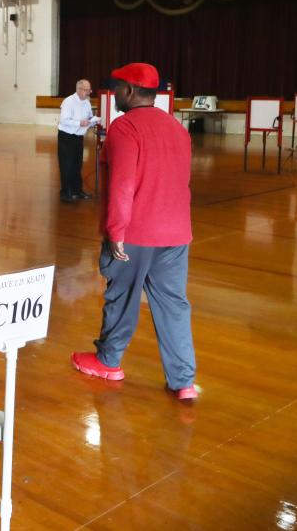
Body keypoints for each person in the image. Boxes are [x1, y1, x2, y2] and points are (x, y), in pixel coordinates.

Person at [71, 62, 197, 400]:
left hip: (136, 233)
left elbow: (123, 184)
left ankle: (108, 361)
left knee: (122, 297)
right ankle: (183, 380)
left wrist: (116, 231)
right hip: (176, 233)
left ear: (128, 91)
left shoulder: (124, 128)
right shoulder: (177, 128)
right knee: (173, 304)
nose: (114, 96)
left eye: (117, 89)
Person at [57, 79, 98, 202]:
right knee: (66, 165)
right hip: (66, 137)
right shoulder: (68, 102)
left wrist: (93, 121)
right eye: (85, 90)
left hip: (79, 137)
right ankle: (65, 192)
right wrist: (79, 122)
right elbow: (64, 120)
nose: (88, 93)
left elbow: (89, 117)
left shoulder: (87, 102)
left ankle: (77, 190)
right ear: (78, 89)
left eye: (89, 90)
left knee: (77, 164)